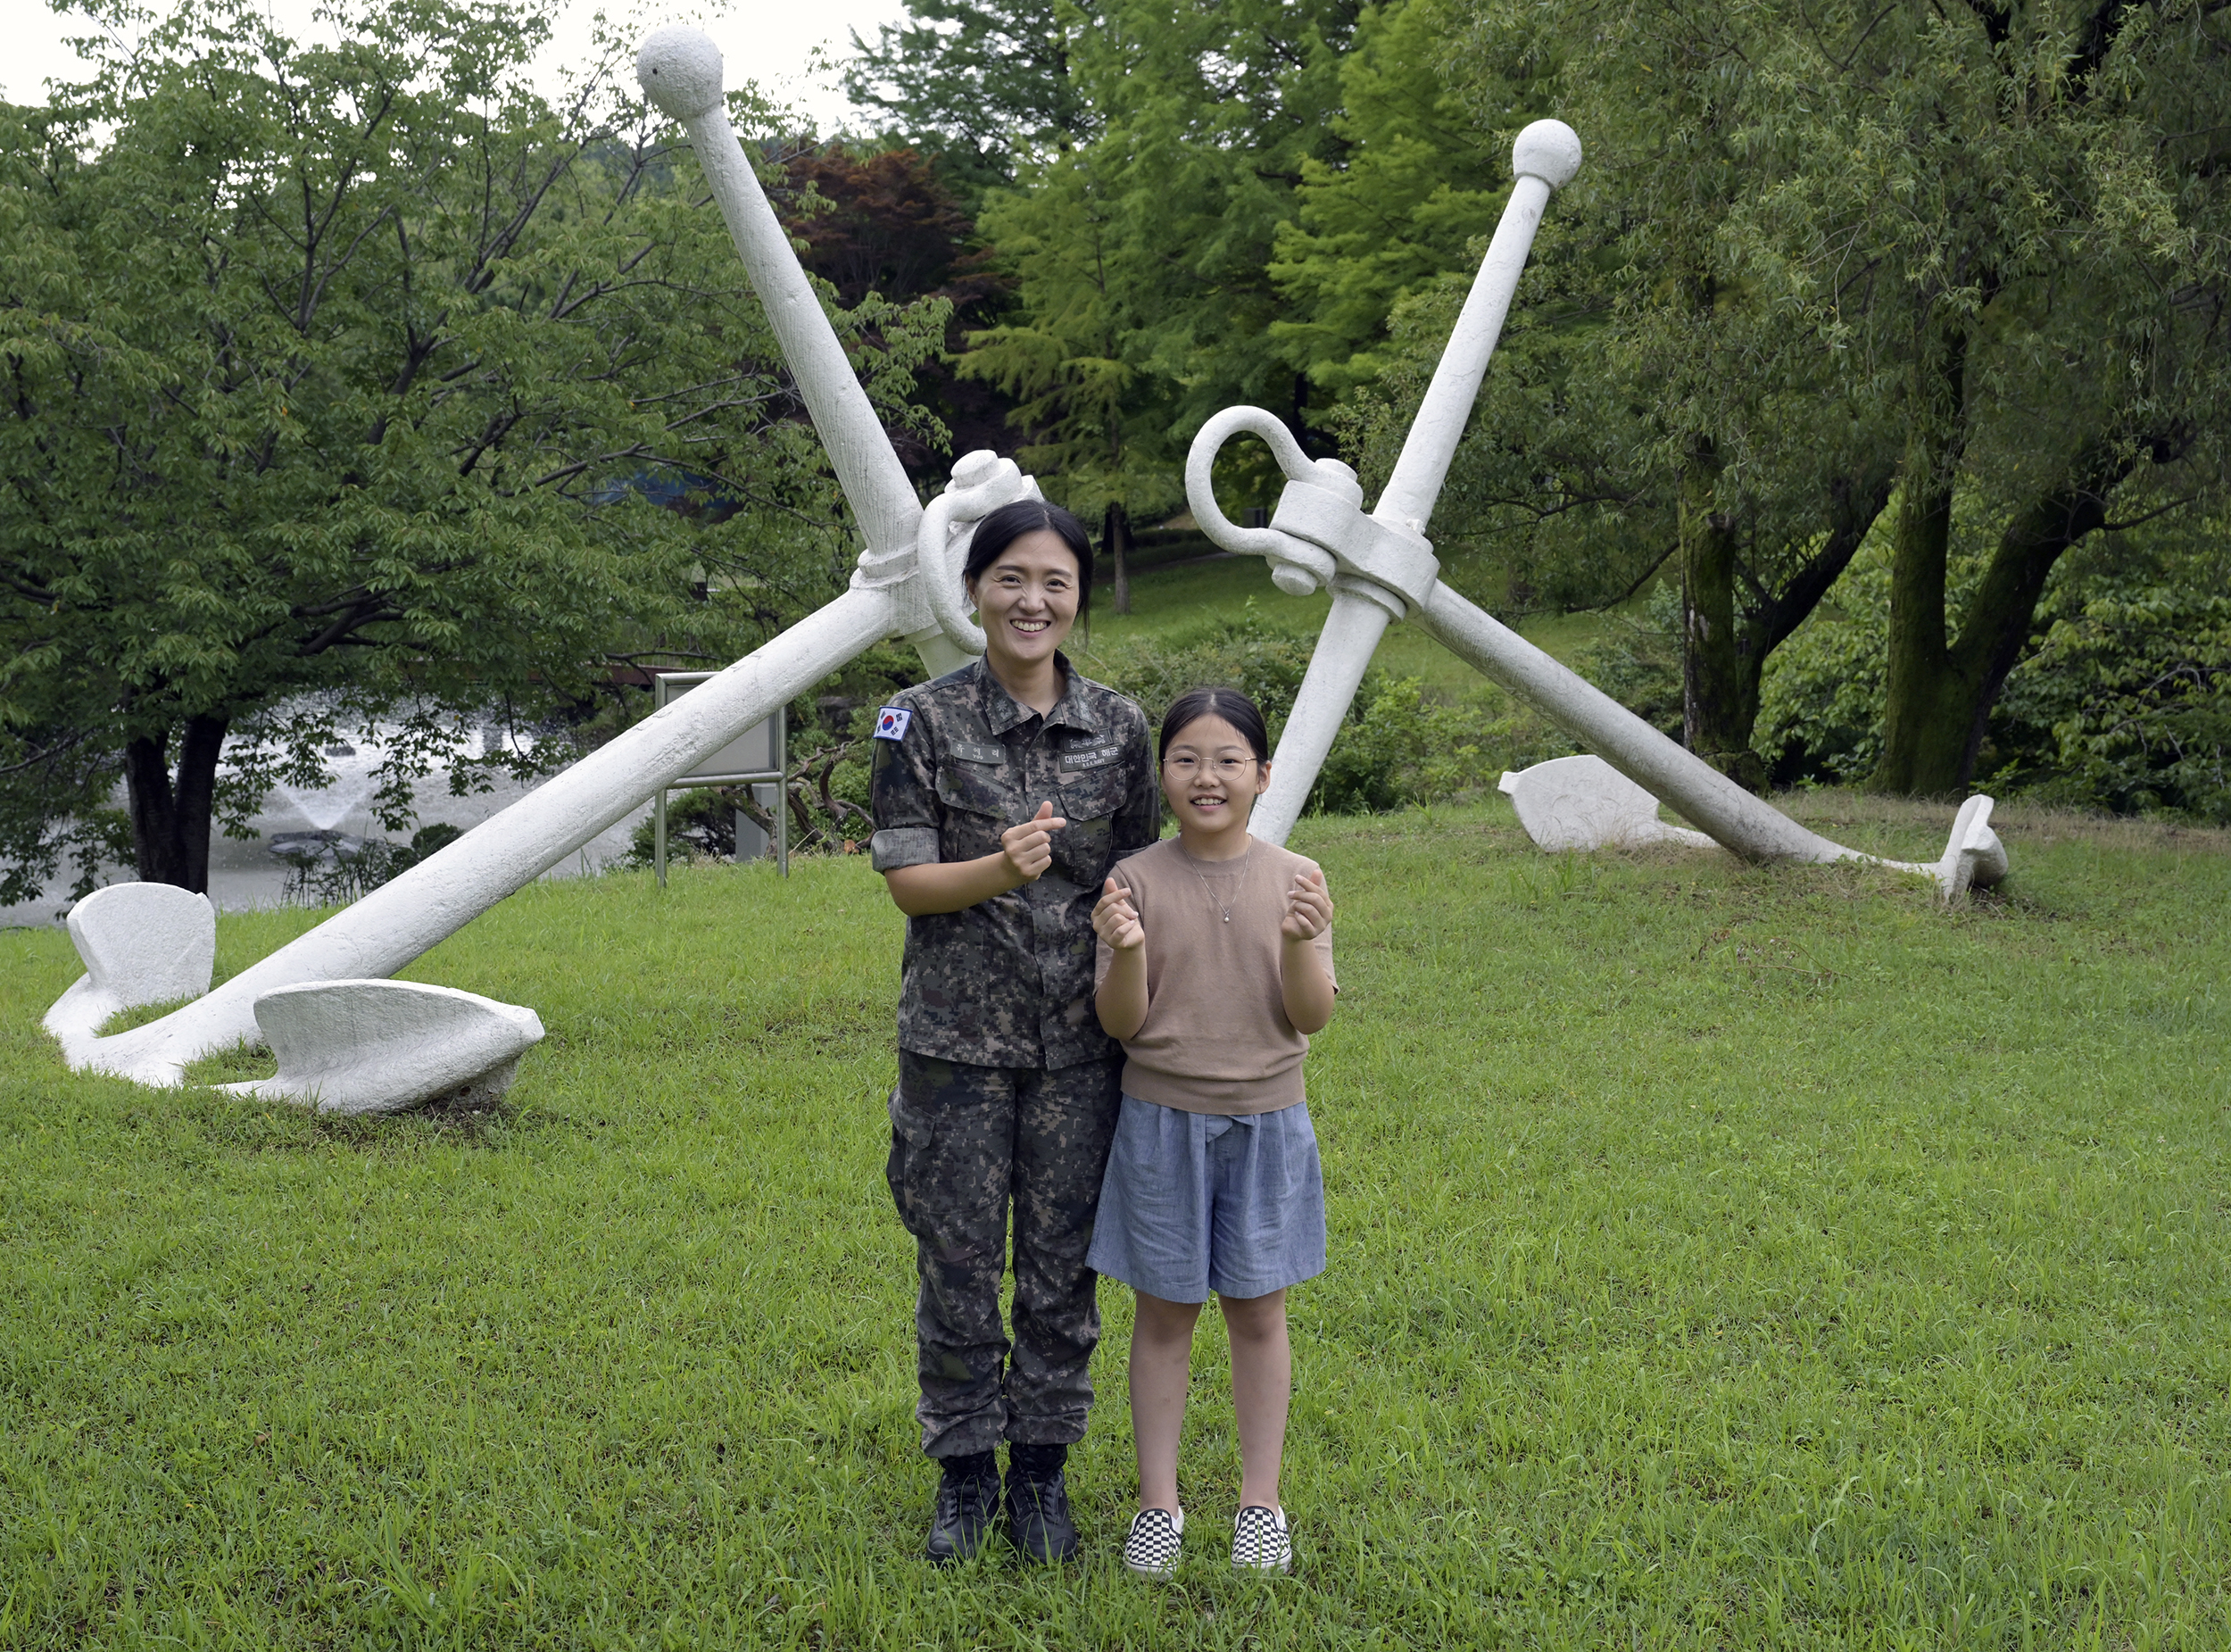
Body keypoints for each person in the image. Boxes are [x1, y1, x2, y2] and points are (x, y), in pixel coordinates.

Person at [868, 498, 1159, 1565]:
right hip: (956, 1046)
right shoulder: (918, 720)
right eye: (1011, 579)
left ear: (1076, 599)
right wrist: (1001, 867)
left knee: (1060, 1267)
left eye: (1055, 583)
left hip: (1084, 1047)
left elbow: (1140, 878)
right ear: (975, 590)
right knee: (953, 1262)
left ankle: (1040, 1474)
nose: (1032, 601)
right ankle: (962, 1475)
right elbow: (907, 884)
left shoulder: (1122, 729)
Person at [1087, 685, 1338, 1580]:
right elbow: (1123, 1024)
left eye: (1228, 759)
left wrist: (1306, 941)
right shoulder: (1134, 879)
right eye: (1187, 758)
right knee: (1163, 1315)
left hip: (1269, 1120)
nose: (1207, 776)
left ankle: (1259, 1504)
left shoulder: (1296, 876)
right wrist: (1122, 949)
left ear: (1262, 775)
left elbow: (1310, 1014)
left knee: (1258, 1314)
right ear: (1162, 774)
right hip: (1161, 1121)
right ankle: (1159, 1506)